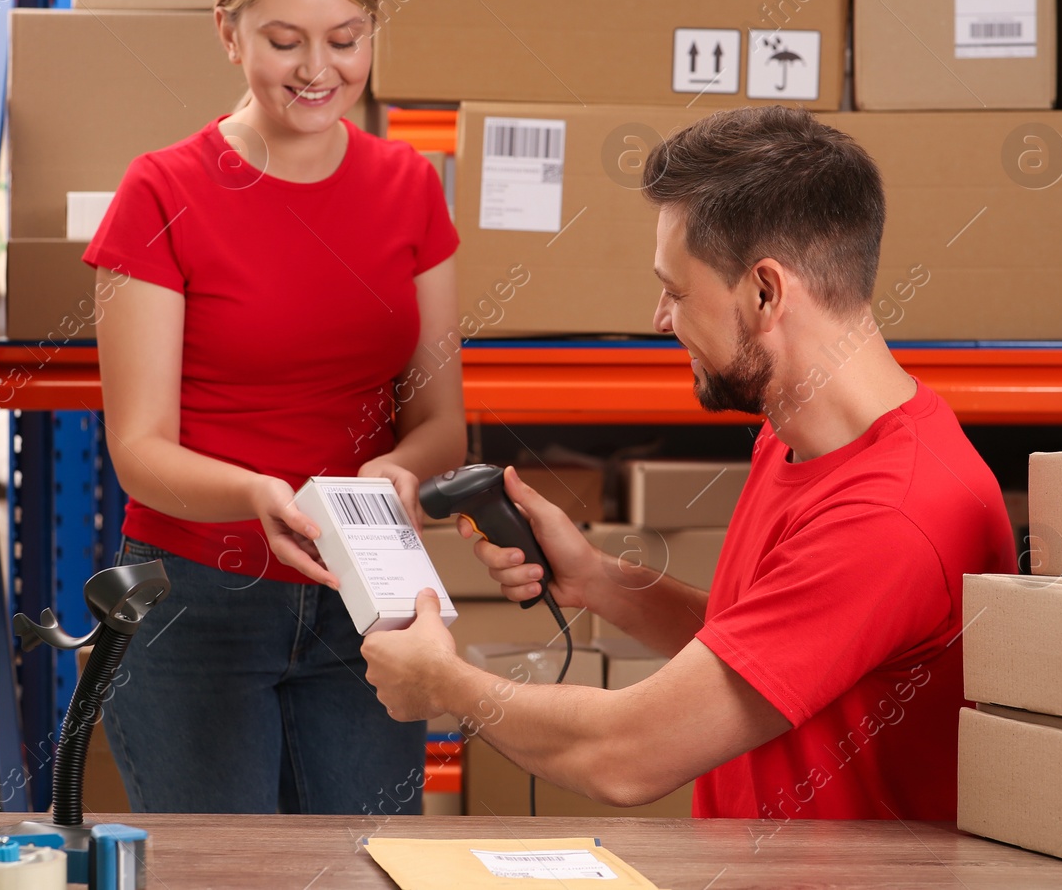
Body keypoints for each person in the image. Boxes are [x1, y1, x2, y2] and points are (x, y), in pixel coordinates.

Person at [361, 106, 1016, 822]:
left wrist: (445, 683)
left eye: (676, 290)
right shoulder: (800, 435)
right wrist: (600, 579)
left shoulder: (893, 514)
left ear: (766, 292)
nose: (660, 318)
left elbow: (626, 754)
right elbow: (765, 649)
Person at [83, 0, 467, 815]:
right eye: (285, 40)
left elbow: (443, 424)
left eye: (345, 38)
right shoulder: (160, 192)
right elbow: (139, 448)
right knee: (222, 877)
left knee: (365, 866)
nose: (318, 70)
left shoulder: (409, 187)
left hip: (364, 594)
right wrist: (258, 495)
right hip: (197, 597)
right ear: (228, 32)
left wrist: (399, 471)